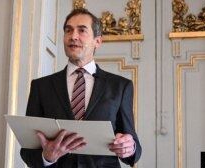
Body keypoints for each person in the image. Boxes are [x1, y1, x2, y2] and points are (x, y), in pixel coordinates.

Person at [20, 8, 142, 168]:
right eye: (68, 30)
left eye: (82, 30)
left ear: (97, 41)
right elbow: (28, 151)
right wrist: (46, 157)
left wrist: (129, 147)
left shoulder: (120, 86)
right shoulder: (40, 87)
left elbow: (134, 149)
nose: (73, 36)